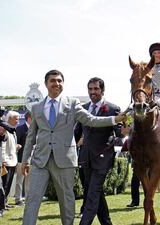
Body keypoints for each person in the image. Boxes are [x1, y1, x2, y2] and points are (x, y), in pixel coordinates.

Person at [20, 70, 126, 225]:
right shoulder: (36, 107)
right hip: (39, 160)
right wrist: (25, 160)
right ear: (46, 84)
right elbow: (31, 136)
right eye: (53, 80)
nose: (56, 83)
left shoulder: (73, 104)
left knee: (66, 200)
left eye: (59, 81)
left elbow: (91, 120)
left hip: (64, 160)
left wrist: (114, 119)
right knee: (32, 199)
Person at [74, 77, 123, 225]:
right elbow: (77, 132)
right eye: (90, 89)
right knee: (95, 192)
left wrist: (125, 131)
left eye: (96, 89)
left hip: (103, 157)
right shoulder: (83, 107)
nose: (92, 92)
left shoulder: (113, 108)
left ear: (102, 90)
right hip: (85, 157)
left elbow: (120, 133)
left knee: (92, 194)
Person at [0, 111, 20, 209]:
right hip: (6, 162)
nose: (18, 121)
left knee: (8, 184)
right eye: (16, 119)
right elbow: (2, 146)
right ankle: (2, 204)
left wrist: (16, 147)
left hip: (13, 162)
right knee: (4, 185)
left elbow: (9, 145)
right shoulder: (4, 130)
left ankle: (5, 202)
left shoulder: (12, 131)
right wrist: (3, 160)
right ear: (10, 119)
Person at [14, 111, 31, 206]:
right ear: (29, 118)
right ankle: (18, 199)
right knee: (19, 180)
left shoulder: (36, 129)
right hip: (21, 159)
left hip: (32, 160)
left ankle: (28, 198)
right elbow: (16, 143)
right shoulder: (20, 129)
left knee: (29, 181)